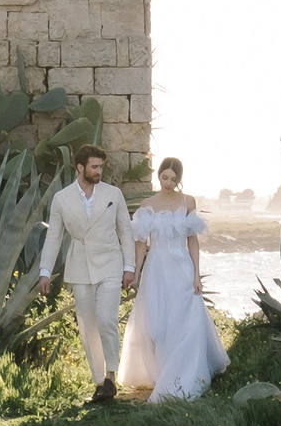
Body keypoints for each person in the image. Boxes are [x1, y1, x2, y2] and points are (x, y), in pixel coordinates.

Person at [119, 157, 230, 401]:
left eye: (173, 179)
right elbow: (140, 243)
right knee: (157, 322)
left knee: (186, 318)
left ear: (179, 180)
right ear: (159, 176)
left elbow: (192, 239)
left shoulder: (187, 201)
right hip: (157, 267)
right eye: (164, 177)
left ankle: (187, 374)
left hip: (182, 265)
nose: (168, 183)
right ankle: (161, 372)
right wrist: (136, 273)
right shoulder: (147, 204)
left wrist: (197, 274)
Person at [37, 145, 136, 403]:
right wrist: (45, 271)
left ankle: (112, 376)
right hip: (80, 266)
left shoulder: (113, 193)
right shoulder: (61, 198)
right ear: (80, 167)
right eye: (94, 167)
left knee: (106, 320)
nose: (98, 171)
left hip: (111, 264)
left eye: (101, 167)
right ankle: (99, 381)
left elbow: (125, 231)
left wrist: (129, 267)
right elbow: (54, 236)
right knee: (88, 326)